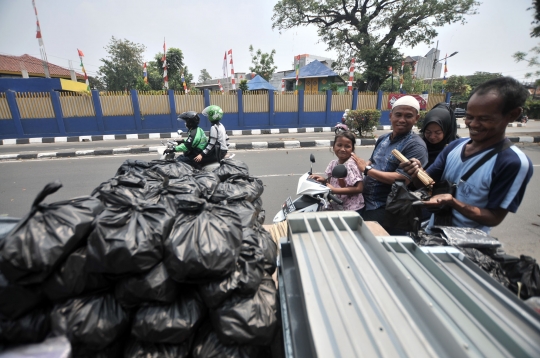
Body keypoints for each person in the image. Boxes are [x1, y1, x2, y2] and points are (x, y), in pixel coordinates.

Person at [401, 77, 533, 234]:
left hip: (467, 246)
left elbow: (494, 217)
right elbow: (424, 185)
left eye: (484, 118)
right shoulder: (455, 147)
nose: (474, 124)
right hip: (433, 233)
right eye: (469, 117)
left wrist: (454, 203)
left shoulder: (512, 162)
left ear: (512, 115)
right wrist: (416, 172)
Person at [351, 95, 428, 234]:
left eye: (408, 116)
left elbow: (402, 178)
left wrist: (367, 170)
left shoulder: (415, 145)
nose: (402, 120)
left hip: (384, 208)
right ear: (391, 116)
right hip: (364, 201)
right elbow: (373, 161)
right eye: (398, 115)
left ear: (416, 119)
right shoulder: (383, 138)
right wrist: (355, 165)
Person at [310, 131, 364, 213]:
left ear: (352, 149)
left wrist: (335, 190)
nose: (342, 149)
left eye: (347, 146)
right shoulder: (333, 163)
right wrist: (324, 180)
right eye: (339, 145)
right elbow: (333, 182)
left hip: (352, 208)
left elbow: (359, 188)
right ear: (333, 147)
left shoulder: (351, 165)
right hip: (337, 205)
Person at [420, 103, 458, 169]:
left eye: (438, 133)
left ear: (447, 131)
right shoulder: (418, 145)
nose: (432, 136)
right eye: (428, 132)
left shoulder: (456, 149)